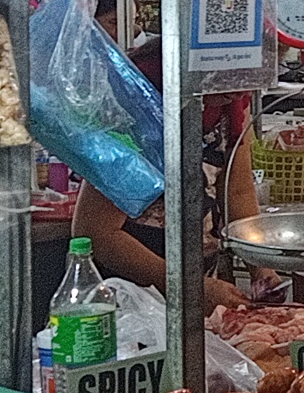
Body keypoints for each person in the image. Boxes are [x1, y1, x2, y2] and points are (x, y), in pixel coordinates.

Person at [70, 38, 264, 310]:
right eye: (231, 74)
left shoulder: (229, 110)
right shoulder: (135, 109)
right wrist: (187, 285)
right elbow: (97, 233)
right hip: (127, 298)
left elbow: (237, 193)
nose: (242, 89)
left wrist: (261, 269)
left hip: (198, 284)